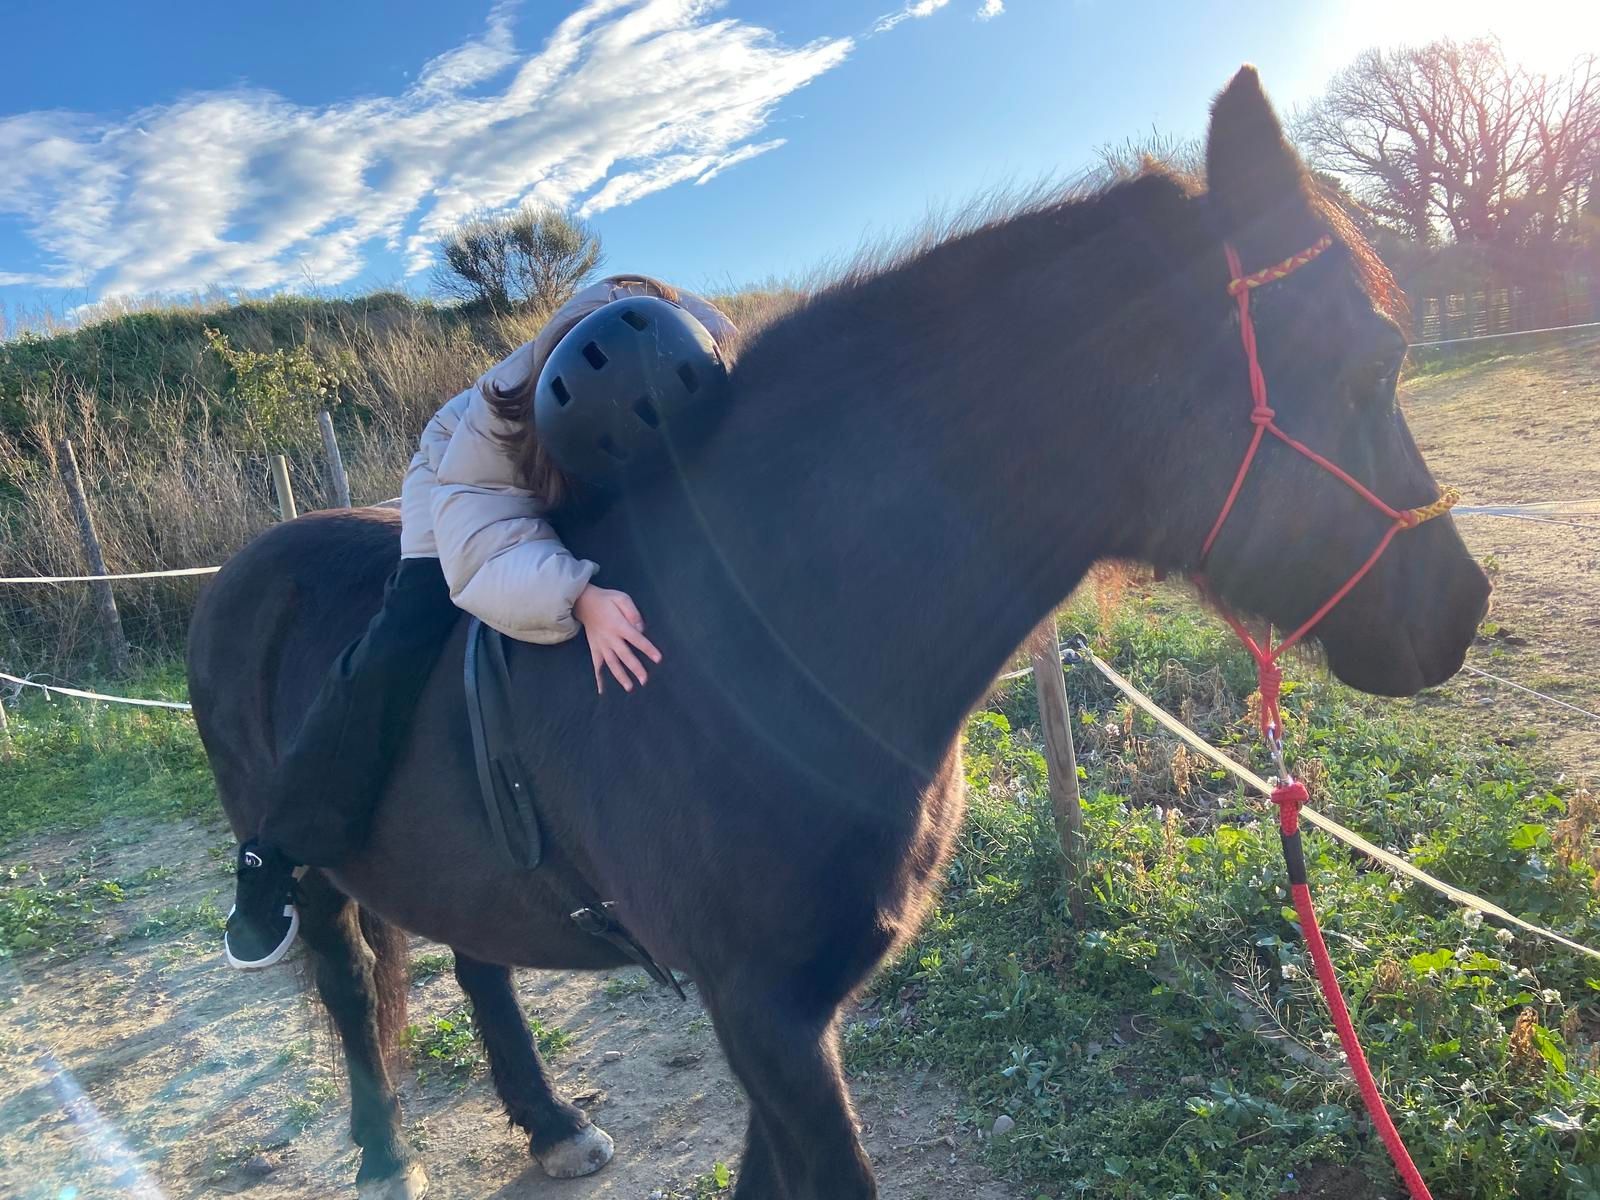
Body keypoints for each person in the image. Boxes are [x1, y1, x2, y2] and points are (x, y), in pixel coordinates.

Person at [223, 276, 738, 969]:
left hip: (623, 450)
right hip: (464, 495)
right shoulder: (492, 436)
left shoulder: (709, 353)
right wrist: (580, 597)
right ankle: (273, 855)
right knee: (399, 647)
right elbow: (481, 553)